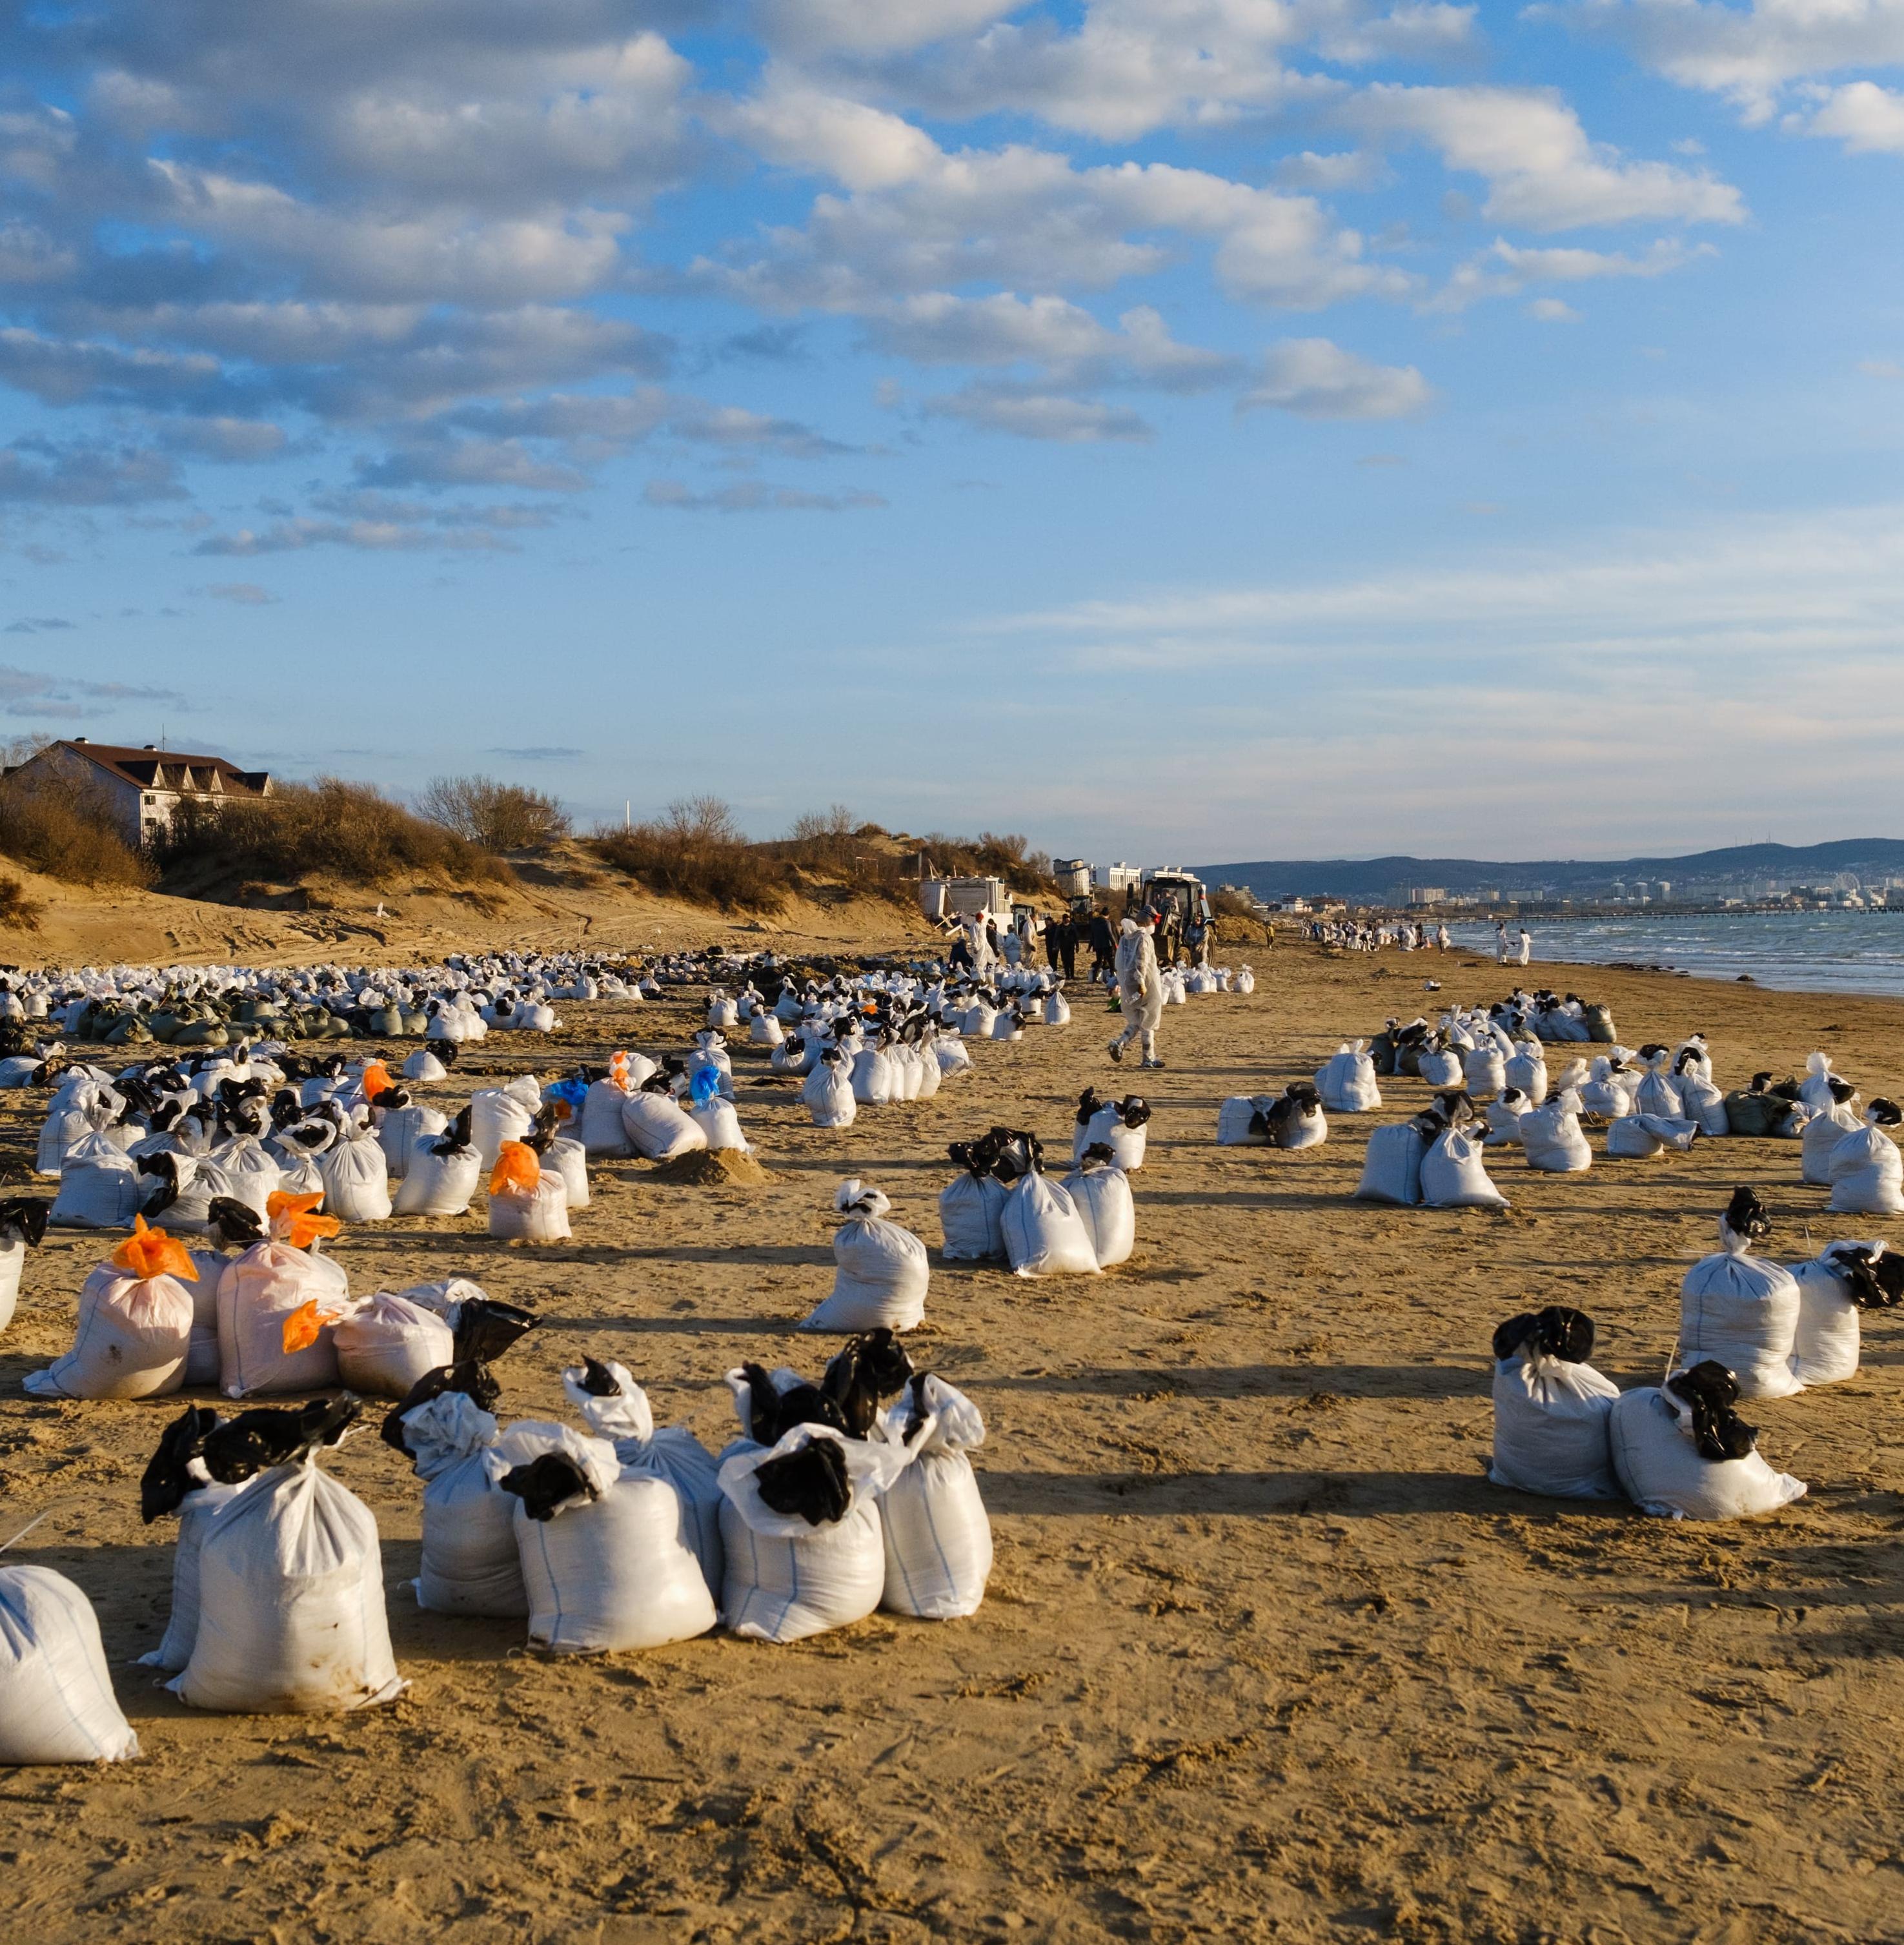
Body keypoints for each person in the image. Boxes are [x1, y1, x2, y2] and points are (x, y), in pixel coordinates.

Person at [1108, 908, 1165, 1068]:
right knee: (1149, 1020)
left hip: (1128, 985)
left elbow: (1119, 962)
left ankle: (1119, 1043)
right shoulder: (1144, 938)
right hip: (1145, 985)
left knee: (1137, 1019)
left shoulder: (1126, 938)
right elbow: (1142, 960)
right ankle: (1148, 1058)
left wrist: (1121, 981)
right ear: (1149, 921)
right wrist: (1141, 982)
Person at [1087, 909, 1115, 983]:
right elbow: (1110, 934)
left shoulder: (1094, 922)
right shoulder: (1106, 922)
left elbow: (1092, 936)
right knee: (1111, 961)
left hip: (1097, 945)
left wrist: (1089, 947)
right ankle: (1113, 976)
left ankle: (1094, 978)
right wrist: (1115, 944)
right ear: (1108, 915)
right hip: (1107, 945)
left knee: (1099, 961)